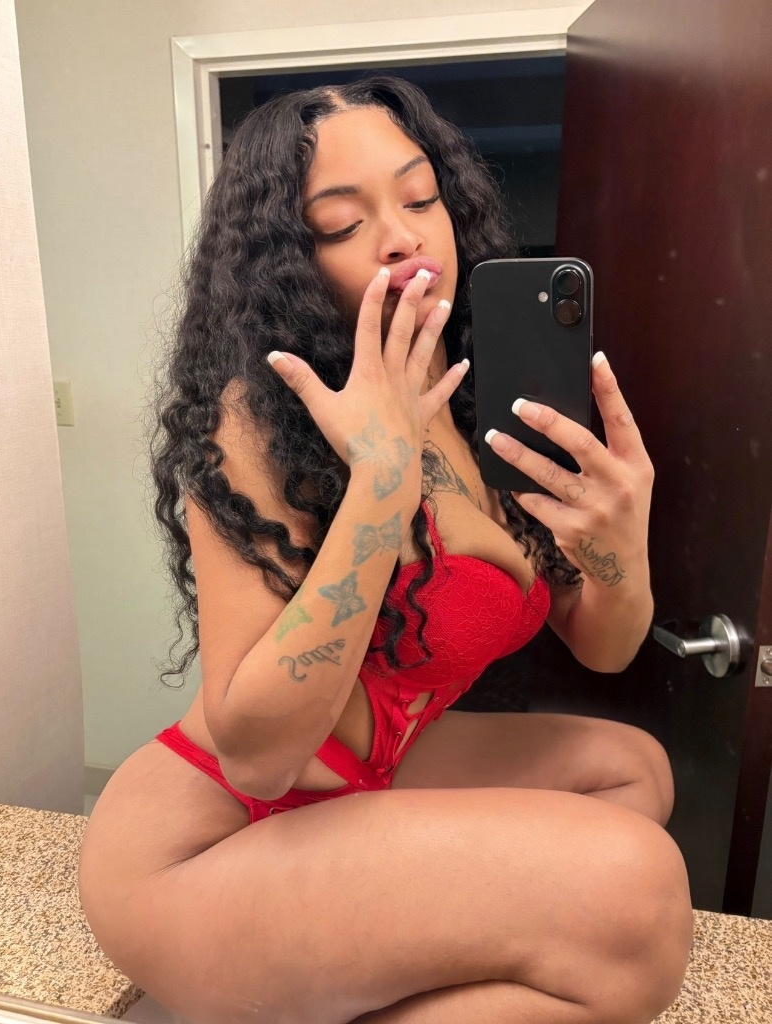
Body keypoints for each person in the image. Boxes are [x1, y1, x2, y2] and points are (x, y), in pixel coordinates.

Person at [79, 76, 692, 1024]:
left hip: (375, 778)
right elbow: (258, 759)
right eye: (341, 222)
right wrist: (378, 484)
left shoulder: (482, 394)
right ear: (289, 259)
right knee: (638, 896)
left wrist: (623, 542)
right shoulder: (263, 414)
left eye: (419, 197)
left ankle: (362, 957)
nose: (401, 236)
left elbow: (604, 647)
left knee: (634, 773)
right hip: (205, 842)